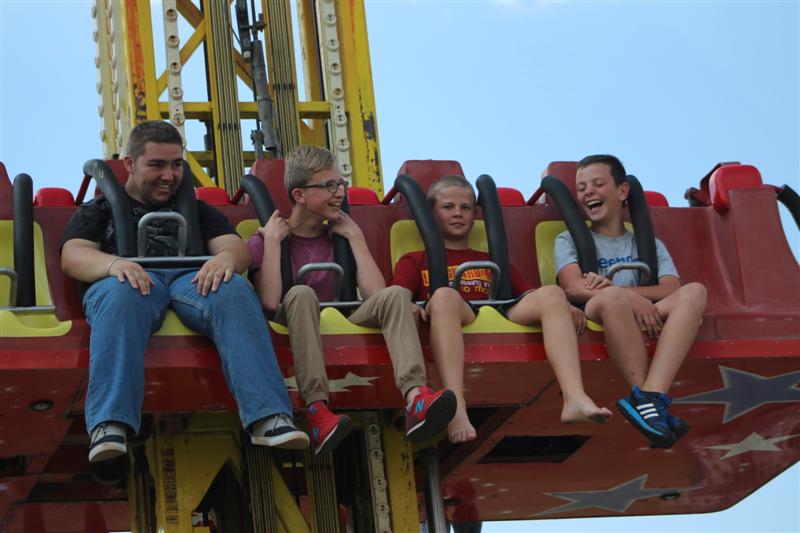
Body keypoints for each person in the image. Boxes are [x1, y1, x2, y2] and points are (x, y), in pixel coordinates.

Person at [61, 121, 308, 463]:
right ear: (130, 164)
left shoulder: (197, 210)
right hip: (130, 283)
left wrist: (226, 259)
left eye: (176, 165)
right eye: (157, 165)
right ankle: (110, 422)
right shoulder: (98, 211)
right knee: (120, 297)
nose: (169, 175)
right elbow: (73, 255)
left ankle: (269, 415)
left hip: (189, 282)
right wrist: (114, 264)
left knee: (234, 289)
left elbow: (235, 248)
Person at [248, 145, 456, 455]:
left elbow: (377, 295)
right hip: (291, 319)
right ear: (300, 195)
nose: (339, 193)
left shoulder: (340, 235)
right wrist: (274, 242)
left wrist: (356, 237)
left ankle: (416, 397)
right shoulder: (266, 238)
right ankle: (317, 410)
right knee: (302, 293)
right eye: (328, 186)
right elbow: (269, 300)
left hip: (338, 317)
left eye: (340, 183)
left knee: (397, 294)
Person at [392, 175, 612, 444]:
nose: (458, 213)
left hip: (498, 308)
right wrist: (410, 306)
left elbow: (526, 293)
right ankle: (457, 408)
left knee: (552, 294)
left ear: (475, 214)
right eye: (448, 207)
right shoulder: (415, 259)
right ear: (431, 214)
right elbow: (398, 298)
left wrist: (564, 306)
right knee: (445, 296)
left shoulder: (490, 259)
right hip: (453, 312)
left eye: (466, 207)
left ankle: (574, 396)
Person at [555, 154, 707, 448]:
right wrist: (626, 296)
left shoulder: (649, 244)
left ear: (622, 190)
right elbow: (572, 287)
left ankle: (650, 396)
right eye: (582, 188)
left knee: (695, 292)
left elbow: (671, 288)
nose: (588, 192)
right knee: (613, 297)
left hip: (644, 312)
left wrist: (633, 298)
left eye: (598, 184)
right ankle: (646, 398)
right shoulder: (567, 239)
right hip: (598, 309)